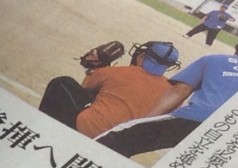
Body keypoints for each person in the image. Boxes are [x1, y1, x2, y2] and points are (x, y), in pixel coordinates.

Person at [98, 36, 238, 157]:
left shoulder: (215, 59)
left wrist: (144, 121)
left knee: (117, 140)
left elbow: (179, 92)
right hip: (235, 136)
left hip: (194, 119)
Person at [38, 41, 183, 137]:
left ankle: (41, 129)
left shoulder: (117, 72)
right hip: (116, 146)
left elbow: (83, 90)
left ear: (142, 56)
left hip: (85, 129)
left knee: (62, 83)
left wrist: (96, 68)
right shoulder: (172, 92)